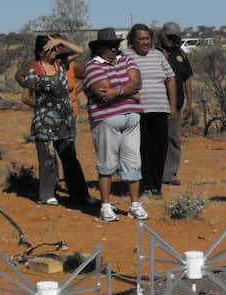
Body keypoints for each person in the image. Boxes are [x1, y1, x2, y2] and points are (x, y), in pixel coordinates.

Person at [80, 28, 147, 222]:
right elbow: (102, 92)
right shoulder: (92, 66)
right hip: (105, 120)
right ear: (99, 47)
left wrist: (116, 92)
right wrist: (129, 92)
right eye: (109, 46)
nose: (113, 49)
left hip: (131, 118)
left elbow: (137, 82)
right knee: (107, 163)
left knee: (133, 162)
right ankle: (106, 206)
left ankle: (135, 204)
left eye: (116, 45)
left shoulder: (126, 59)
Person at [16, 34, 88, 206]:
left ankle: (79, 194)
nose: (55, 51)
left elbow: (81, 50)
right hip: (45, 122)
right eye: (51, 48)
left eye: (56, 48)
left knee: (70, 158)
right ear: (42, 51)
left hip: (65, 120)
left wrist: (61, 41)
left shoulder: (61, 64)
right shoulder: (35, 70)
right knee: (47, 158)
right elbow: (25, 93)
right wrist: (43, 107)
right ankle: (47, 194)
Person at [124, 23, 176, 196]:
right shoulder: (126, 56)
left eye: (148, 38)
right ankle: (144, 185)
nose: (146, 42)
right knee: (143, 149)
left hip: (160, 108)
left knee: (161, 148)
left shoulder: (158, 55)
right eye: (141, 39)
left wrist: (173, 105)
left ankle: (156, 186)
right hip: (139, 110)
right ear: (133, 41)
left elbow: (171, 79)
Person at [159, 29, 193, 186]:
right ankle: (153, 173)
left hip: (176, 104)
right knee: (156, 139)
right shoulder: (154, 53)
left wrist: (190, 103)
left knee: (174, 138)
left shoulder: (181, 55)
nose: (172, 40)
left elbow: (187, 78)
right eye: (169, 37)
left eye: (175, 37)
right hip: (156, 104)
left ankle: (169, 174)